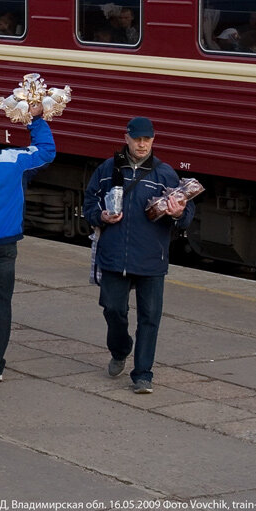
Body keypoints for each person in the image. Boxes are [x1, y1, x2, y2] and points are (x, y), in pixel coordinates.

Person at [84, 117, 194, 394]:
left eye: (148, 139)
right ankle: (120, 349)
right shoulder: (107, 170)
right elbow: (88, 203)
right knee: (113, 310)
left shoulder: (165, 174)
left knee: (150, 318)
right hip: (114, 256)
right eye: (137, 139)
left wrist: (178, 212)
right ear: (127, 138)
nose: (142, 144)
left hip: (151, 259)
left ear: (153, 140)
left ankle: (143, 374)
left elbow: (186, 215)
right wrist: (102, 216)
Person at [0, 109, 56, 383]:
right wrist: (36, 121)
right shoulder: (15, 158)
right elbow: (47, 151)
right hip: (8, 245)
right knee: (2, 304)